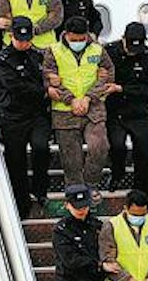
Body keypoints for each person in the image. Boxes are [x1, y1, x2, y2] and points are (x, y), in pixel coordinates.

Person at [42, 15, 114, 190]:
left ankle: (90, 185)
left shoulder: (98, 50)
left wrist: (89, 97)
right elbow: (49, 78)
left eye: (82, 39)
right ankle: (75, 193)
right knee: (70, 158)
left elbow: (108, 75)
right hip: (64, 111)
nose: (78, 42)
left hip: (93, 109)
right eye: (74, 40)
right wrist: (71, 99)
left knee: (100, 147)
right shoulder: (53, 51)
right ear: (66, 34)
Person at [0, 16, 50, 218]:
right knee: (16, 161)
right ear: (11, 36)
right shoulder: (2, 60)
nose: (24, 43)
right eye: (20, 40)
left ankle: (40, 191)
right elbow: (15, 86)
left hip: (37, 114)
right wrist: (43, 91)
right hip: (14, 116)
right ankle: (21, 202)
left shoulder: (38, 56)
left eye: (27, 40)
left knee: (41, 148)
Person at [105, 21, 148, 192]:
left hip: (139, 112)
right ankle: (117, 176)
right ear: (123, 39)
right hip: (115, 111)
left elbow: (146, 87)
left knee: (145, 152)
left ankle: (142, 192)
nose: (133, 51)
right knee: (117, 146)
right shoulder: (109, 52)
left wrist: (121, 88)